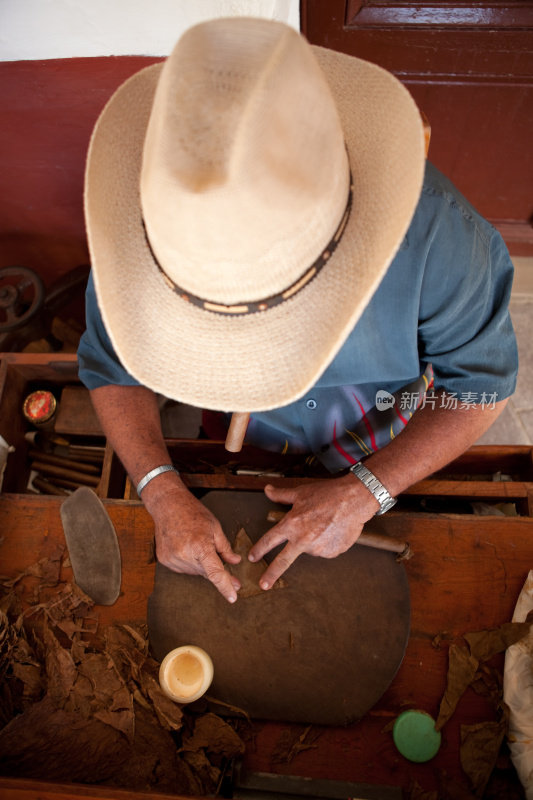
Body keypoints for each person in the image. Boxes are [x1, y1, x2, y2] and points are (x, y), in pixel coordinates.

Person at [78, 17, 518, 604]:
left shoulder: (440, 238)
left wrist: (368, 490)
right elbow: (111, 367)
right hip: (245, 431)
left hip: (378, 425)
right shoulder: (154, 227)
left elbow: (481, 387)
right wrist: (159, 489)